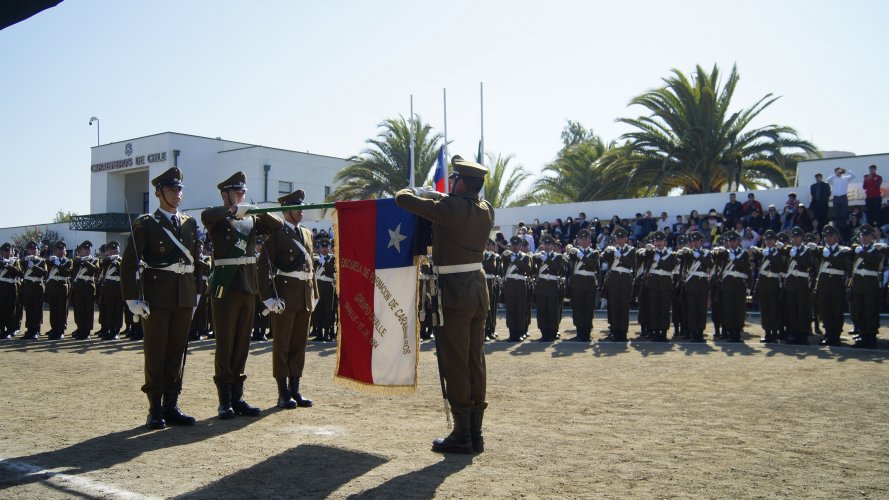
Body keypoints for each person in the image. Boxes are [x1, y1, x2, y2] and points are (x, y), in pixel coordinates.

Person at [395, 155, 495, 454]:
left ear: (461, 182)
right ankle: (475, 432)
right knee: (475, 360)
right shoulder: (485, 210)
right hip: (477, 290)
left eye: (454, 180)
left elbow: (403, 200)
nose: (451, 184)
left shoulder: (449, 208)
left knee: (455, 361)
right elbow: (455, 204)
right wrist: (437, 195)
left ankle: (461, 433)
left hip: (454, 293)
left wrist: (417, 191)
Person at [121, 167, 200, 430]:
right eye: (171, 189)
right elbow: (129, 263)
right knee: (156, 351)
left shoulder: (189, 222)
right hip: (156, 296)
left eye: (179, 189)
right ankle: (155, 408)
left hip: (184, 295)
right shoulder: (146, 223)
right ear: (158, 193)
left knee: (177, 352)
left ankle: (172, 405)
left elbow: (197, 261)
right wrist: (133, 298)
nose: (177, 194)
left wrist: (197, 291)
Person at [202, 171, 283, 419]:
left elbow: (277, 224)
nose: (241, 195)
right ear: (224, 194)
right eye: (236, 192)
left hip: (248, 287)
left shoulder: (250, 220)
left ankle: (237, 396)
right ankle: (224, 399)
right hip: (226, 288)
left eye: (243, 192)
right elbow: (206, 216)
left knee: (242, 345)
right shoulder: (217, 218)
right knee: (225, 344)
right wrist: (231, 211)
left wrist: (254, 209)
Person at [257, 189, 318, 410]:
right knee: (282, 344)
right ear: (286, 210)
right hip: (284, 296)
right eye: (297, 207)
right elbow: (263, 266)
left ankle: (295, 389)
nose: (302, 210)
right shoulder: (277, 234)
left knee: (299, 345)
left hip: (304, 296)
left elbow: (310, 267)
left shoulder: (307, 234)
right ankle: (283, 392)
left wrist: (315, 294)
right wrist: (268, 298)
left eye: (302, 206)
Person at [849, 224, 887, 348]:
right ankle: (862, 336)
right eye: (862, 235)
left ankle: (871, 338)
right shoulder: (856, 249)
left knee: (870, 311)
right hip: (858, 284)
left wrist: (863, 253)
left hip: (871, 285)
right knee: (859, 312)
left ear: (872, 237)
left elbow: (876, 262)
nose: (864, 238)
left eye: (867, 235)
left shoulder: (877, 249)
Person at [636, 231, 679, 342]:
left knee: (664, 309)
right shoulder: (650, 253)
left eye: (661, 240)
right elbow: (641, 258)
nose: (659, 242)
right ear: (654, 242)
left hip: (665, 285)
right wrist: (648, 251)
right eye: (657, 241)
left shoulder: (671, 254)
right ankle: (655, 332)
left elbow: (670, 267)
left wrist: (658, 259)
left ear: (665, 242)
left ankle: (663, 332)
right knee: (653, 309)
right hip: (653, 284)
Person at [815, 225, 852, 346]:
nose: (827, 238)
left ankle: (836, 336)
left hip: (837, 285)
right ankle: (828, 334)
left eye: (830, 236)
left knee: (837, 311)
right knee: (825, 311)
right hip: (824, 285)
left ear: (837, 237)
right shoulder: (822, 250)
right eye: (826, 236)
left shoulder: (843, 251)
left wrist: (829, 256)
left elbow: (843, 265)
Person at [711, 230, 751, 342]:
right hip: (727, 286)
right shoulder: (725, 253)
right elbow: (716, 262)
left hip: (739, 286)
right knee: (728, 310)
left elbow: (746, 269)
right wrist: (716, 253)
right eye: (730, 241)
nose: (731, 243)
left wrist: (735, 259)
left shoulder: (744, 253)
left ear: (738, 241)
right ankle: (730, 332)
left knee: (738, 310)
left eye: (733, 241)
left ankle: (737, 333)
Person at [748, 230, 786, 343]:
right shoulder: (763, 252)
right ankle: (767, 332)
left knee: (774, 310)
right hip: (763, 284)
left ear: (775, 241)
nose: (768, 242)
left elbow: (781, 264)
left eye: (770, 240)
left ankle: (774, 333)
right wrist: (755, 251)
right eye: (766, 240)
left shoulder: (779, 252)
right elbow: (754, 257)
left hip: (773, 284)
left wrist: (768, 254)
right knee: (764, 310)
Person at [782, 227, 816, 344]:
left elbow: (808, 264)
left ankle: (803, 334)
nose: (795, 239)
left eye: (797, 237)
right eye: (793, 238)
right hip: (791, 283)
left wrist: (796, 255)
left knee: (802, 310)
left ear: (802, 238)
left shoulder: (807, 250)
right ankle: (794, 333)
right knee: (792, 310)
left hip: (802, 283)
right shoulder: (790, 250)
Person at [601, 226, 636, 342]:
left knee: (624, 307)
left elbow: (631, 264)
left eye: (622, 238)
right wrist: (608, 251)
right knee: (614, 307)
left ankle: (623, 332)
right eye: (618, 238)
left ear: (626, 238)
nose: (620, 240)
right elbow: (604, 258)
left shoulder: (631, 250)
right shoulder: (611, 249)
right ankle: (615, 331)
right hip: (614, 280)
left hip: (625, 280)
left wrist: (620, 255)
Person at [676, 231, 712, 342]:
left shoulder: (706, 253)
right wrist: (685, 252)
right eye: (693, 241)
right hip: (691, 284)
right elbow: (681, 259)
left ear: (701, 242)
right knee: (692, 309)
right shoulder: (688, 253)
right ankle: (693, 332)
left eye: (697, 241)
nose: (695, 243)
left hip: (703, 284)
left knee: (701, 309)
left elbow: (710, 265)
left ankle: (700, 332)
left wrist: (699, 257)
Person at [565, 229, 599, 342]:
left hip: (589, 283)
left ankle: (587, 333)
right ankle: (579, 332)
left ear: (590, 241)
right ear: (578, 240)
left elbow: (593, 266)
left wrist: (581, 256)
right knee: (578, 309)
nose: (584, 241)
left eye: (586, 239)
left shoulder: (594, 253)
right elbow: (569, 267)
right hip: (577, 283)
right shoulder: (574, 252)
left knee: (588, 309)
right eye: (581, 239)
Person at [532, 234, 565, 342]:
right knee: (542, 311)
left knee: (552, 310)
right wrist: (534, 259)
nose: (546, 246)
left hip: (552, 286)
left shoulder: (558, 256)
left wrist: (546, 259)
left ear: (552, 245)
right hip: (541, 285)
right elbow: (532, 270)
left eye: (548, 244)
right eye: (544, 244)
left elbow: (558, 269)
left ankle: (552, 332)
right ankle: (544, 333)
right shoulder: (539, 256)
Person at [501, 236, 532, 342]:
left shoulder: (526, 257)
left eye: (517, 245)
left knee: (520, 310)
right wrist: (508, 256)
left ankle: (519, 333)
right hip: (510, 286)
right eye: (513, 245)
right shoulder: (507, 256)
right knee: (510, 310)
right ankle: (511, 334)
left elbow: (527, 269)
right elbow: (502, 263)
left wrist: (516, 260)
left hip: (520, 286)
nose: (514, 247)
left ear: (520, 246)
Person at [70, 241, 99, 340]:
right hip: (79, 287)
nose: (87, 251)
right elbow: (72, 267)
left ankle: (87, 332)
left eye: (89, 249)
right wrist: (81, 260)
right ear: (80, 250)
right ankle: (80, 329)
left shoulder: (94, 260)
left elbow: (95, 270)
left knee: (88, 310)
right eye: (85, 249)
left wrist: (85, 262)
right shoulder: (76, 261)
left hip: (89, 287)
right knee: (79, 310)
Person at [19, 241, 47, 339]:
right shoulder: (24, 261)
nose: (32, 251)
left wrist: (33, 266)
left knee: (37, 310)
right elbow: (18, 271)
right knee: (29, 310)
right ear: (27, 250)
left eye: (34, 249)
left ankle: (36, 330)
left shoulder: (42, 261)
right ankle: (29, 330)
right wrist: (24, 261)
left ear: (38, 251)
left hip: (37, 287)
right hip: (27, 287)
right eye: (31, 249)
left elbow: (44, 273)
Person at [44, 241, 72, 340]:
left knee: (62, 310)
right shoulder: (51, 261)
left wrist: (59, 265)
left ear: (65, 251)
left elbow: (66, 273)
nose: (60, 251)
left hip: (62, 286)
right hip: (52, 287)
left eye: (62, 249)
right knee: (53, 310)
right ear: (55, 251)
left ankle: (61, 330)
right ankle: (54, 329)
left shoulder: (68, 261)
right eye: (58, 249)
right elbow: (45, 268)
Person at [312, 237, 337, 342]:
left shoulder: (332, 259)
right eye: (322, 247)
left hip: (328, 286)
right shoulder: (315, 259)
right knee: (318, 310)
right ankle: (319, 334)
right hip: (318, 286)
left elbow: (333, 269)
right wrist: (319, 261)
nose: (324, 249)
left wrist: (324, 263)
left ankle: (327, 333)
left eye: (326, 247)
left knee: (328, 310)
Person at [98, 241, 124, 340]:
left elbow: (124, 270)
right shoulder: (105, 260)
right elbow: (102, 263)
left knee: (117, 310)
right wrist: (110, 259)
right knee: (108, 310)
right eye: (111, 249)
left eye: (116, 249)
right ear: (108, 251)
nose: (114, 251)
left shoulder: (122, 260)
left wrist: (116, 262)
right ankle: (109, 329)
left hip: (118, 287)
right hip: (107, 288)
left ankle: (116, 331)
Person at [481, 238, 502, 341]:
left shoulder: (493, 256)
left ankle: (489, 330)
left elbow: (492, 268)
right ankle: (483, 331)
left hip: (490, 284)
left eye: (486, 245)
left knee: (490, 309)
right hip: (480, 282)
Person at [0, 243, 22, 339]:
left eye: (9, 251)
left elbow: (20, 273)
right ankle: (1, 329)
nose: (8, 253)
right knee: (1, 309)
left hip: (11, 287)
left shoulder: (16, 261)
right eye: (6, 251)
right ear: (2, 252)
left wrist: (8, 265)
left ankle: (9, 330)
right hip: (1, 286)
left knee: (10, 310)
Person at [826, 166, 856, 236]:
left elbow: (853, 176)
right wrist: (835, 174)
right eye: (837, 171)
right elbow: (827, 180)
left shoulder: (845, 178)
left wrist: (846, 170)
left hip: (843, 197)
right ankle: (838, 229)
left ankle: (844, 229)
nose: (839, 172)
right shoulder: (833, 178)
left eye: (839, 171)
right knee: (837, 214)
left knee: (844, 214)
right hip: (836, 198)